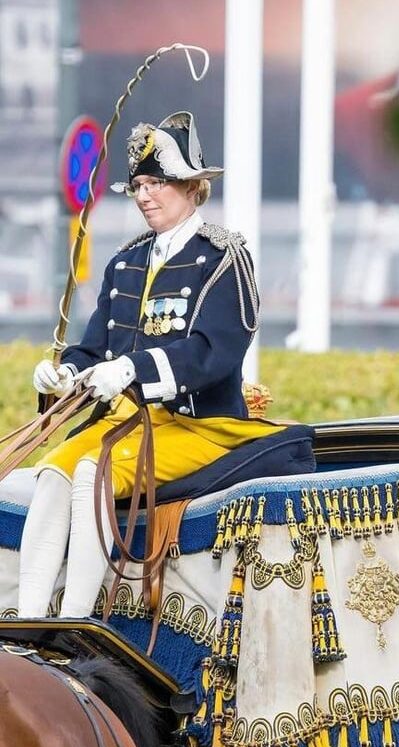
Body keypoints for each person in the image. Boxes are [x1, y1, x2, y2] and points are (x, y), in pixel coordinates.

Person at [19, 110, 285, 618]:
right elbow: (95, 347)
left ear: (191, 187)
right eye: (138, 185)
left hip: (200, 424)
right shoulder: (126, 262)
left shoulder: (223, 258)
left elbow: (215, 351)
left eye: (156, 182)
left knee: (90, 474)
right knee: (53, 472)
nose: (143, 195)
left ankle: (74, 624)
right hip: (126, 422)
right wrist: (65, 374)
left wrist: (135, 368)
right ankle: (27, 627)